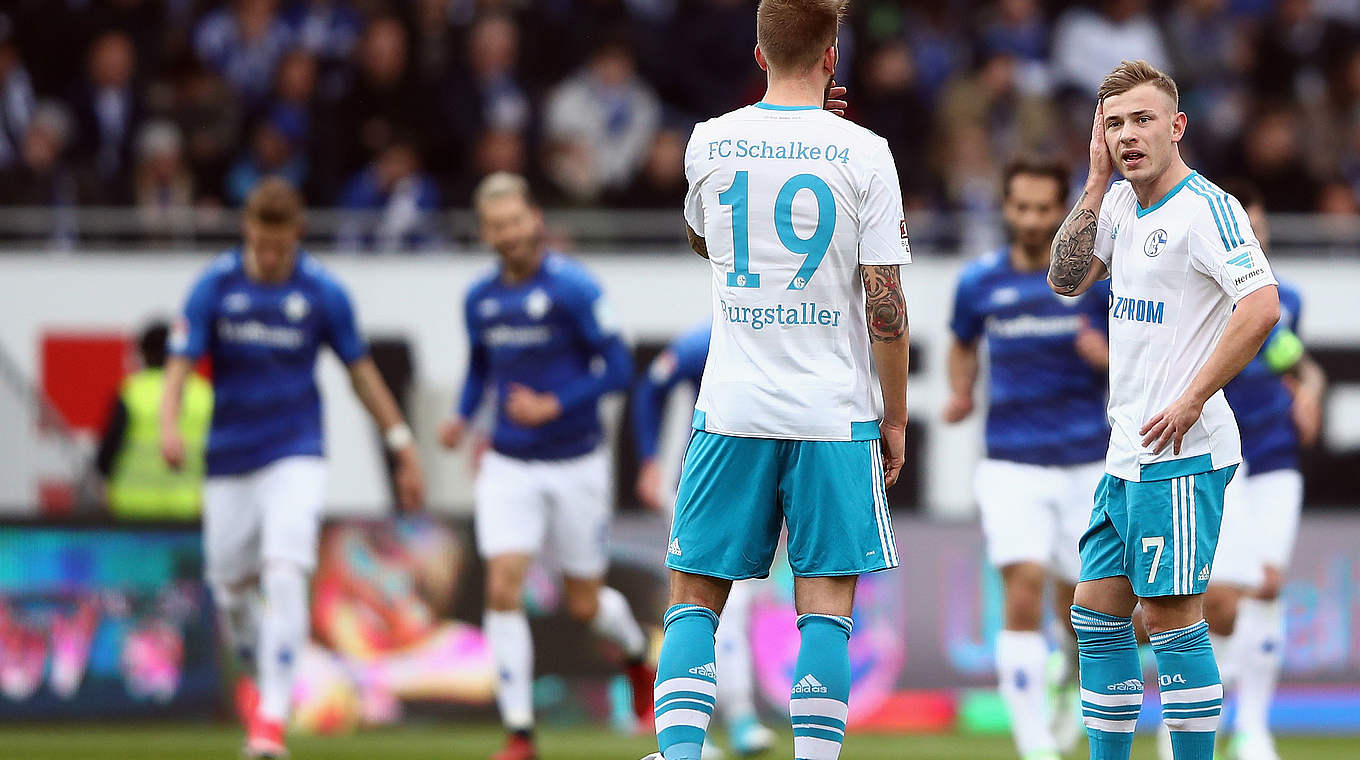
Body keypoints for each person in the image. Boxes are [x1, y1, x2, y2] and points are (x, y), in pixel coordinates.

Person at [642, 1, 913, 758]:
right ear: (833, 56)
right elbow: (886, 307)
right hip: (835, 411)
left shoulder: (709, 142)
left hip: (733, 405)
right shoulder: (865, 151)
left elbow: (708, 241)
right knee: (825, 606)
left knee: (695, 598)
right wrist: (895, 417)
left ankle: (681, 754)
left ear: (758, 56)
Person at [1047, 60, 1280, 760]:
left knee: (1172, 617)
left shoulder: (1208, 209)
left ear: (1176, 126)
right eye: (1114, 123)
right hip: (1128, 453)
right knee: (1095, 615)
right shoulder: (1118, 204)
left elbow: (1261, 305)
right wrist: (1092, 184)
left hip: (1182, 451)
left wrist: (1192, 397)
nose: (1128, 135)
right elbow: (1064, 280)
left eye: (1143, 119)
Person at [159, 177, 425, 760]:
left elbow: (361, 373)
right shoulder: (214, 286)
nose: (271, 255)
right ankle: (265, 674)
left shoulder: (324, 292)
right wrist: (168, 423)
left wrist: (401, 441)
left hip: (295, 451)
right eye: (261, 242)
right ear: (247, 231)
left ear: (297, 233)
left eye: (280, 244)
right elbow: (180, 363)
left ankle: (271, 723)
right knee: (229, 590)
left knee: (284, 571)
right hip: (229, 456)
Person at [437, 172, 651, 760]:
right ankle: (520, 733)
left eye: (514, 221)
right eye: (495, 226)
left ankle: (635, 658)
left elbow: (618, 368)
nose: (507, 234)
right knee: (503, 584)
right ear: (485, 232)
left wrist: (554, 404)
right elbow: (482, 369)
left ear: (533, 218)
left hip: (576, 461)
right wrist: (461, 416)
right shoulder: (480, 299)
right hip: (508, 462)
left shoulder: (574, 289)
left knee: (584, 604)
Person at [944, 158, 1111, 760]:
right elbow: (960, 344)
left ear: (1062, 211)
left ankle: (1068, 671)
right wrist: (961, 392)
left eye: (1046, 208)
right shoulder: (979, 283)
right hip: (1011, 460)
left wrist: (1108, 358)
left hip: (1087, 462)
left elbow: (1141, 358)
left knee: (1083, 607)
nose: (1034, 220)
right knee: (1023, 582)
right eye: (1023, 207)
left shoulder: (1096, 283)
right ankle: (1035, 743)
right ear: (1007, 209)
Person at [1186, 183, 1327, 760]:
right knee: (1220, 600)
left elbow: (1291, 358)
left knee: (1268, 582)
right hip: (1222, 454)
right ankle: (1209, 714)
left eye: (1262, 229)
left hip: (1275, 453)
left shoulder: (1282, 298)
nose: (1255, 239)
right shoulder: (1198, 292)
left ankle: (1253, 727)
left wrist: (1312, 386)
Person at [631, 320, 776, 758]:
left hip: (748, 484)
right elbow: (650, 389)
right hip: (694, 484)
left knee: (736, 604)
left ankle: (723, 722)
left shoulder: (779, 336)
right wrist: (649, 460)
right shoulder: (703, 341)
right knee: (700, 601)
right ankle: (717, 725)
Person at [94, 320, 212, 520]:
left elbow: (105, 457)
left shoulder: (131, 392)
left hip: (133, 510)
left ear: (143, 353)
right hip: (189, 510)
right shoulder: (204, 394)